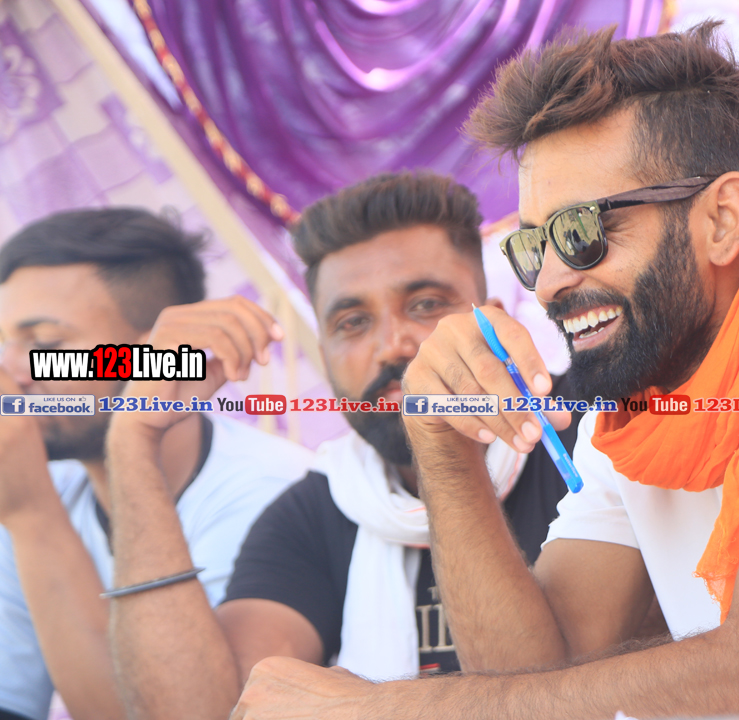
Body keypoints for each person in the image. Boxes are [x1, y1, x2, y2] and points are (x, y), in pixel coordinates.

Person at [232, 22, 739, 718]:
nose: (549, 282)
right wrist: (444, 452)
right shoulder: (638, 399)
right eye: (532, 246)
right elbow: (540, 675)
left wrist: (380, 707)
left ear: (722, 219)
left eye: (583, 233)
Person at [108, 172, 587, 719]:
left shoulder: (591, 432)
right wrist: (133, 439)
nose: (392, 345)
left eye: (426, 304)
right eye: (353, 322)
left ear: (494, 315)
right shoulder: (315, 511)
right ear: (325, 355)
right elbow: (200, 712)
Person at [0, 208, 311, 720]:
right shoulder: (41, 480)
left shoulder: (276, 494)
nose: (13, 372)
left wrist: (33, 517)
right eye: (5, 343)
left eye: (46, 343)